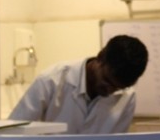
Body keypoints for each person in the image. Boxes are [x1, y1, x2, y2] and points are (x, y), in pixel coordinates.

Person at [9, 35, 149, 134]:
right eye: (107, 80)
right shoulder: (51, 81)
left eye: (118, 88)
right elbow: (13, 132)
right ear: (100, 57)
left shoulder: (128, 96)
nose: (110, 90)